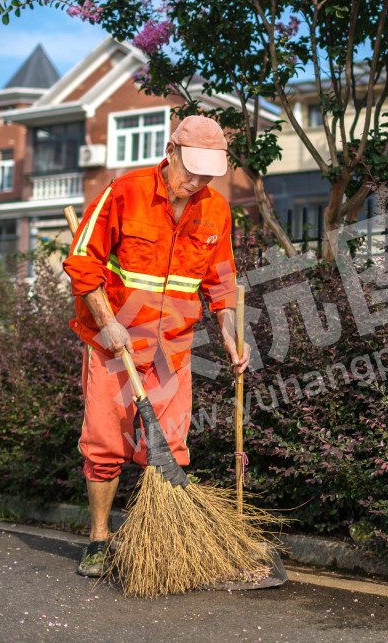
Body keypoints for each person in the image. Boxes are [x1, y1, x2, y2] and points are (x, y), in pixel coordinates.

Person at [62, 115, 250, 577]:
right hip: (115, 341)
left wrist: (228, 328)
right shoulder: (124, 192)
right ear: (170, 151)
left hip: (173, 347)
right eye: (192, 171)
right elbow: (83, 263)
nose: (197, 182)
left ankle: (159, 542)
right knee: (106, 443)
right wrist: (106, 322)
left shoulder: (217, 211)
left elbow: (221, 279)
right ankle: (100, 540)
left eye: (208, 174)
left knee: (170, 447)